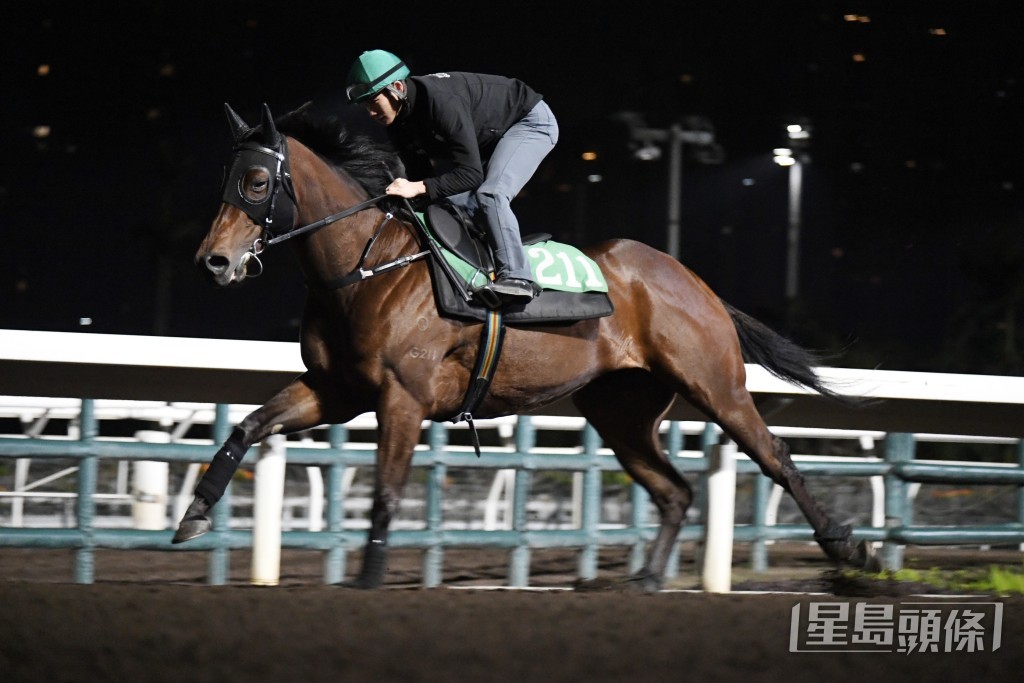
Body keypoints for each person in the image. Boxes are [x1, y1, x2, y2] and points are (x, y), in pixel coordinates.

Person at [346, 49, 559, 301]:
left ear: (397, 88)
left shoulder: (441, 101)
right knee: (438, 205)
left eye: (373, 102)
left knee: (491, 194)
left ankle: (518, 277)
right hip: (489, 140)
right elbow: (422, 176)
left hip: (528, 122)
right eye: (365, 106)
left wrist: (416, 187)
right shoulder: (397, 121)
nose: (370, 113)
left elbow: (470, 175)